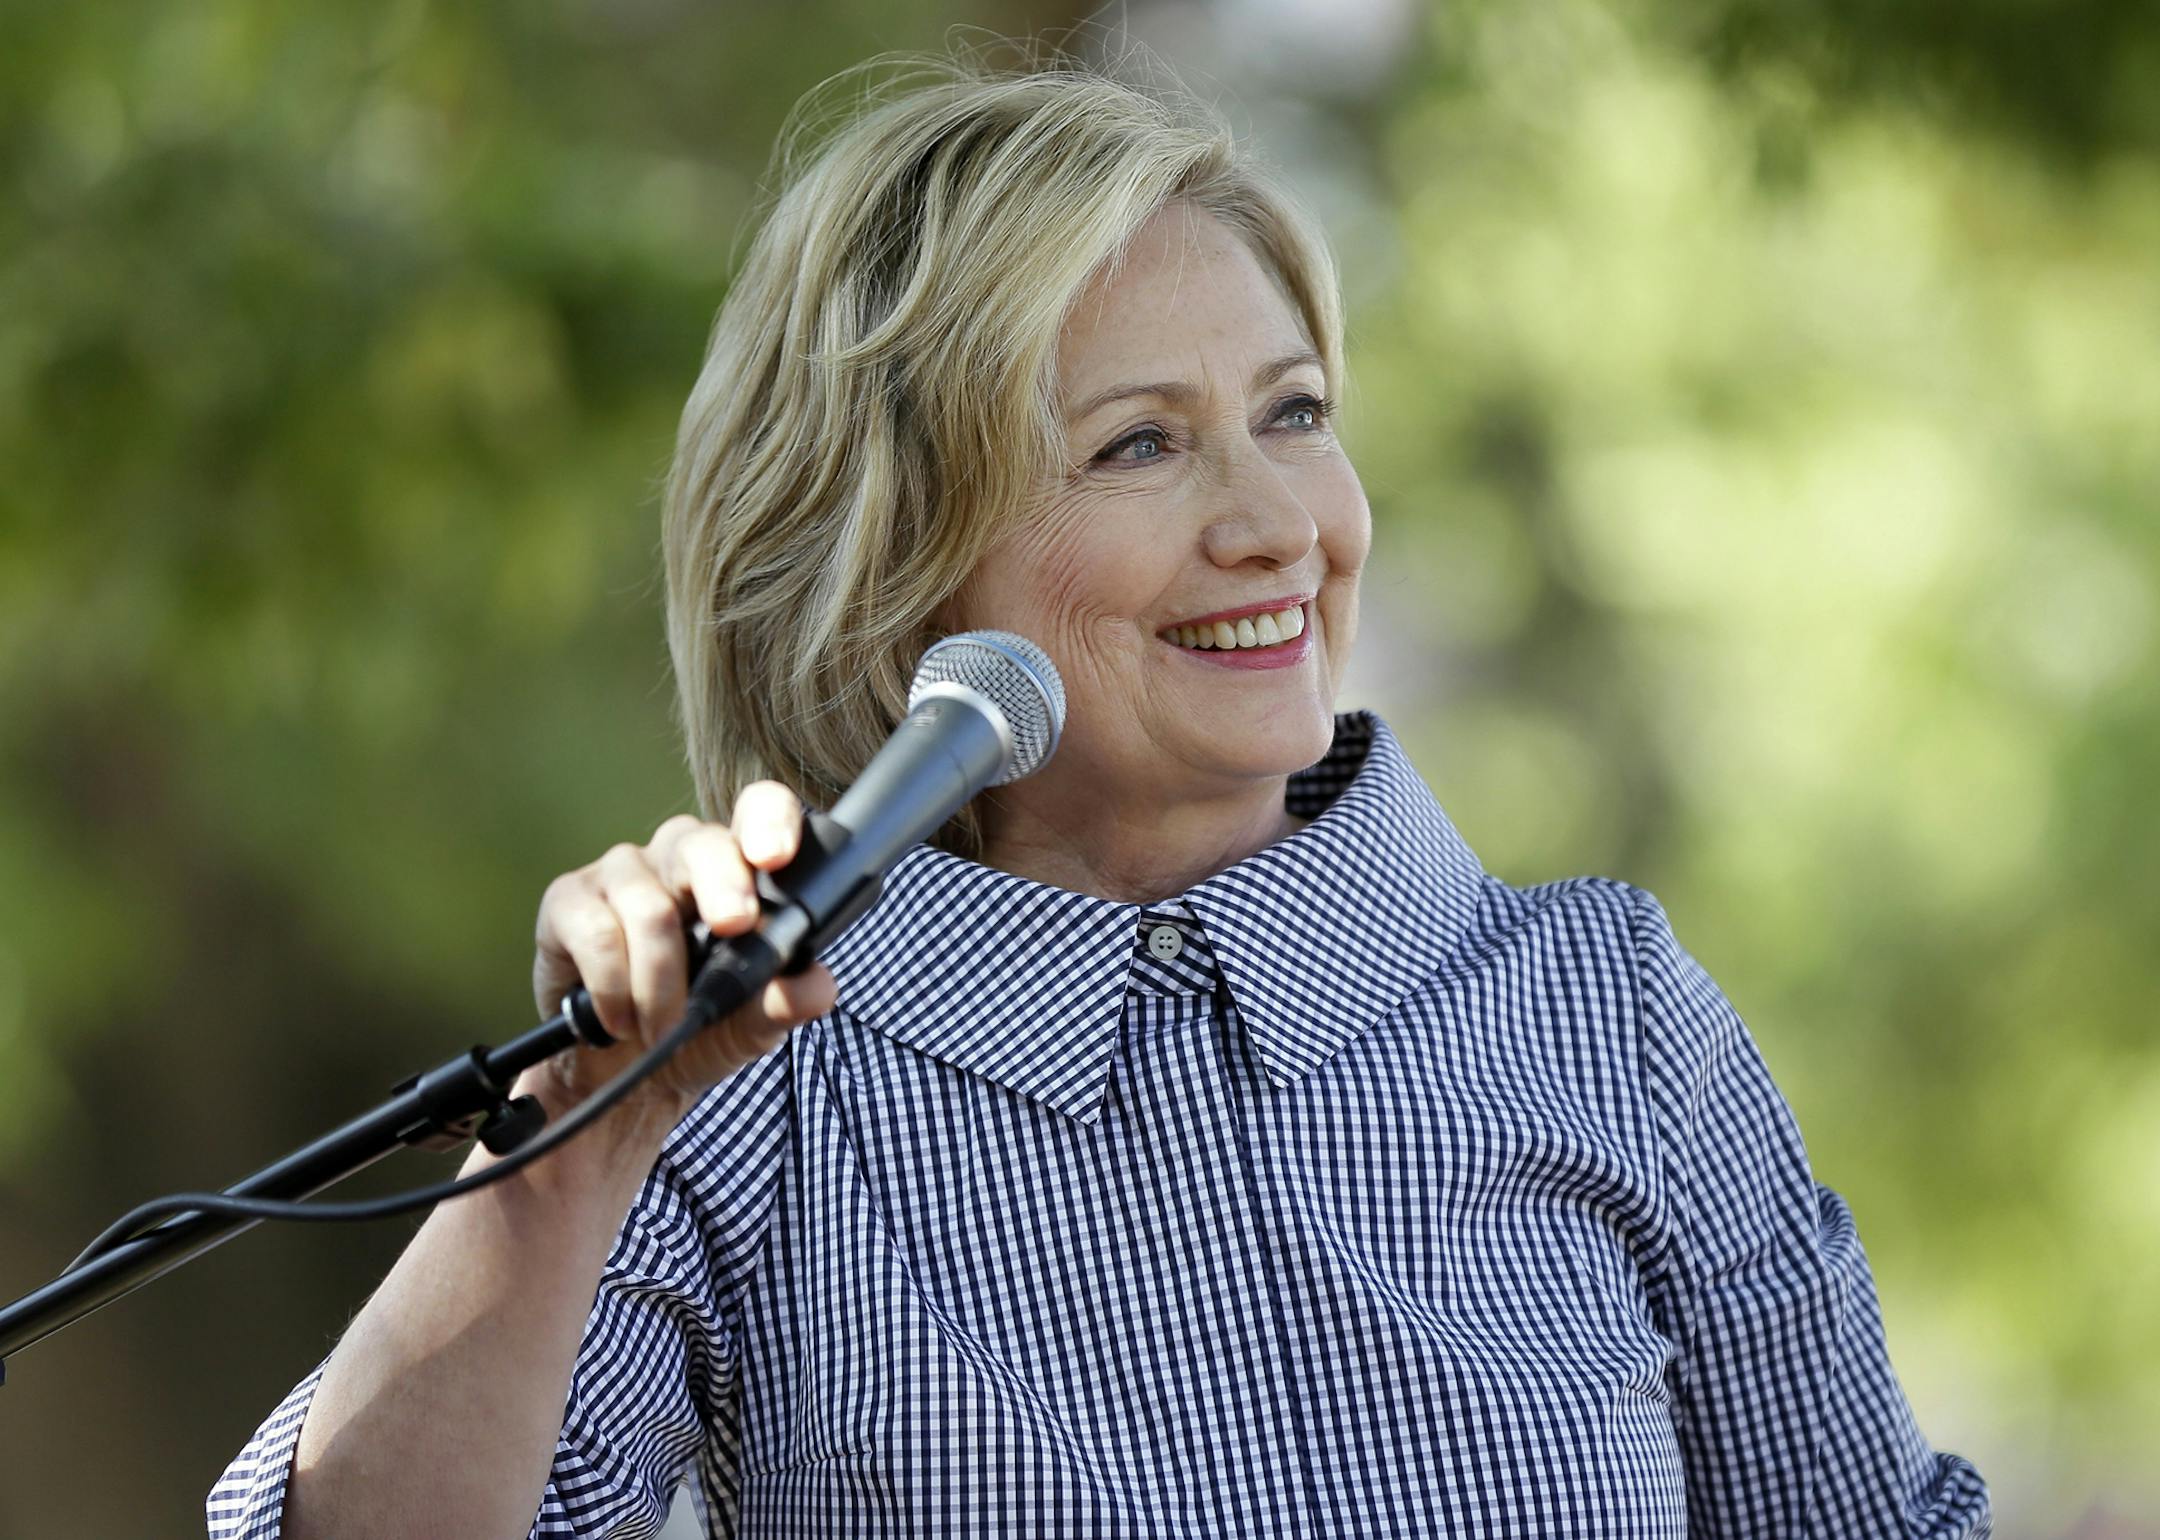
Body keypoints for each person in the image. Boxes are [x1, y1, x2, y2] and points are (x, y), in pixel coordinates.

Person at [207, 50, 1992, 1540]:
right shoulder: (738, 1097)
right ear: (892, 568)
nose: (1276, 523)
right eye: (1139, 444)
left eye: (1294, 413)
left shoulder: (1611, 1021)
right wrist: (567, 1154)